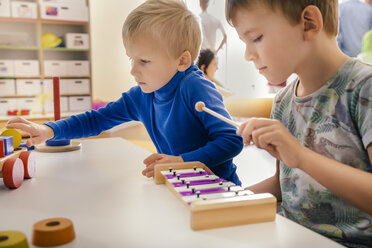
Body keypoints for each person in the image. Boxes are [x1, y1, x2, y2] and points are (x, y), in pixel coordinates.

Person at [7, 0, 243, 185]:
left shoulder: (196, 87)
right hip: (180, 184)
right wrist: (48, 129)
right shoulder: (142, 95)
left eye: (144, 60)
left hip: (218, 188)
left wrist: (183, 162)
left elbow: (232, 139)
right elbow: (97, 118)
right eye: (131, 58)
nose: (133, 70)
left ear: (182, 60)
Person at [225, 0, 372, 247]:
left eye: (257, 37)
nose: (248, 55)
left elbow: (299, 161)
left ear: (308, 23)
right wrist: (221, 198)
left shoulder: (363, 88)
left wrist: (301, 156)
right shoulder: (283, 101)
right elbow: (285, 186)